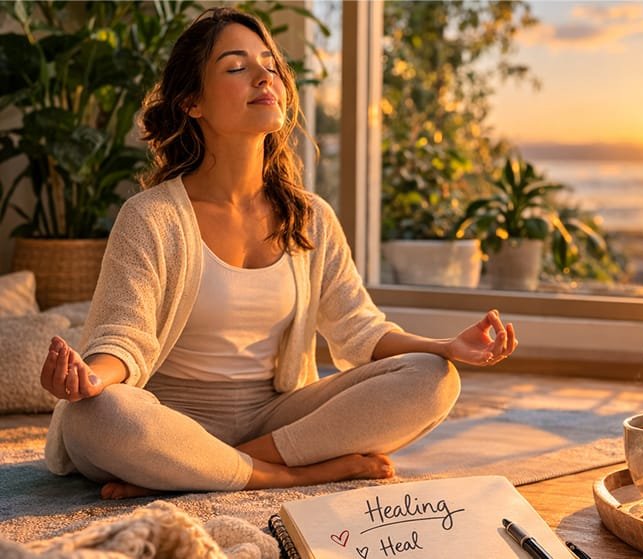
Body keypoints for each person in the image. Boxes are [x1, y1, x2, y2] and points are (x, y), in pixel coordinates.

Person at [38, 7, 517, 500]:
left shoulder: (310, 217)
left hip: (276, 417)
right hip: (167, 417)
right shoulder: (151, 216)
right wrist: (89, 378)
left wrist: (445, 347)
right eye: (236, 66)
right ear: (191, 102)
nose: (265, 76)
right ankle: (288, 474)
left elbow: (359, 329)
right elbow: (124, 336)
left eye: (270, 64)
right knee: (94, 416)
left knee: (432, 378)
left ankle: (202, 467)